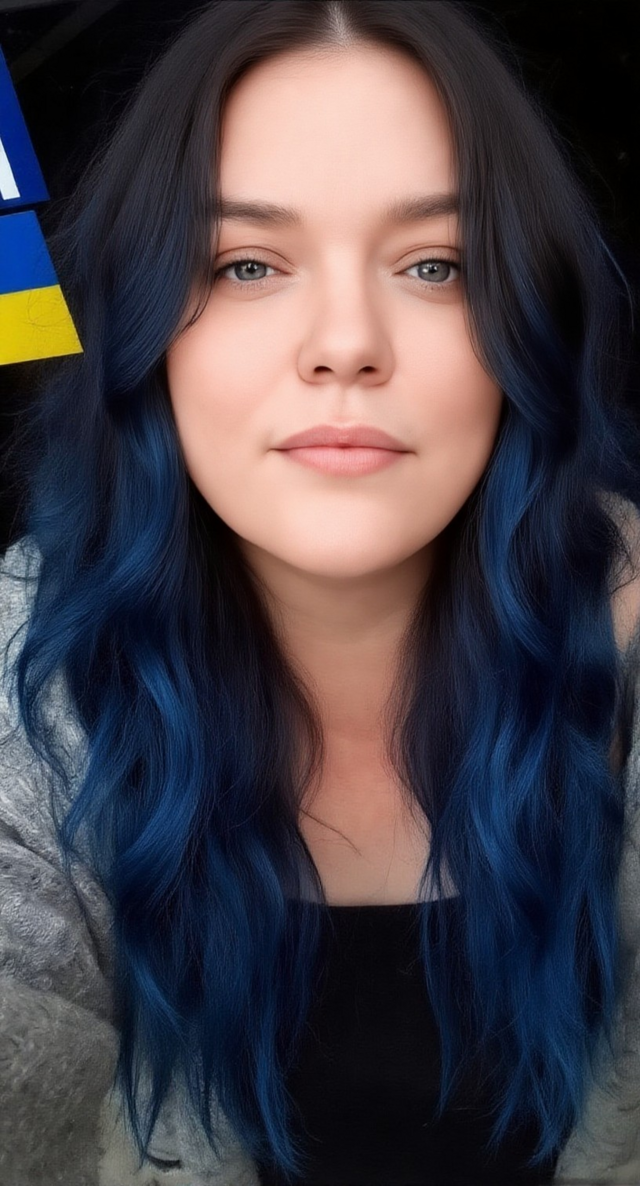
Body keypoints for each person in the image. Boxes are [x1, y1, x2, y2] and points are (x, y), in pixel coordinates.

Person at [1, 2, 640, 1184]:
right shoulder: (27, 669)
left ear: (525, 327)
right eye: (246, 264)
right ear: (145, 332)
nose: (345, 343)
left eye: (436, 265)